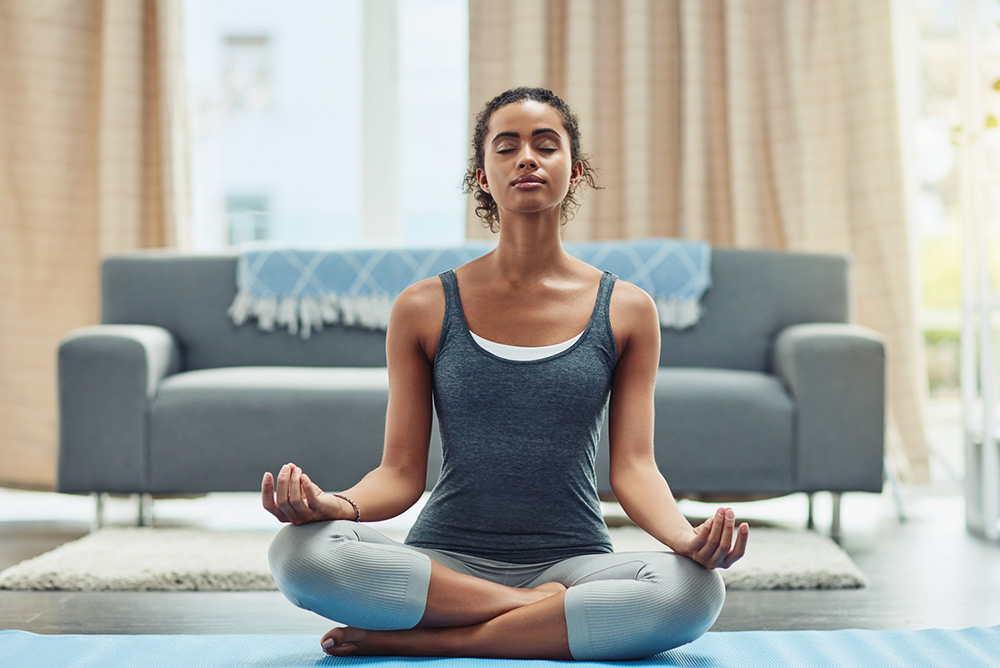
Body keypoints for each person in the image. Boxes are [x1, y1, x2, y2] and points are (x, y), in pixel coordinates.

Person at [261, 86, 750, 661]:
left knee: (694, 592)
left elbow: (634, 469)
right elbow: (399, 473)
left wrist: (686, 540)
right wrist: (334, 506)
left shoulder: (627, 309)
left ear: (576, 169)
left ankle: (435, 639)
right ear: (481, 176)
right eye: (507, 146)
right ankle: (530, 616)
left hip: (574, 561)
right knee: (297, 555)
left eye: (546, 144)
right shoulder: (423, 306)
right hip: (444, 560)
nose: (527, 157)